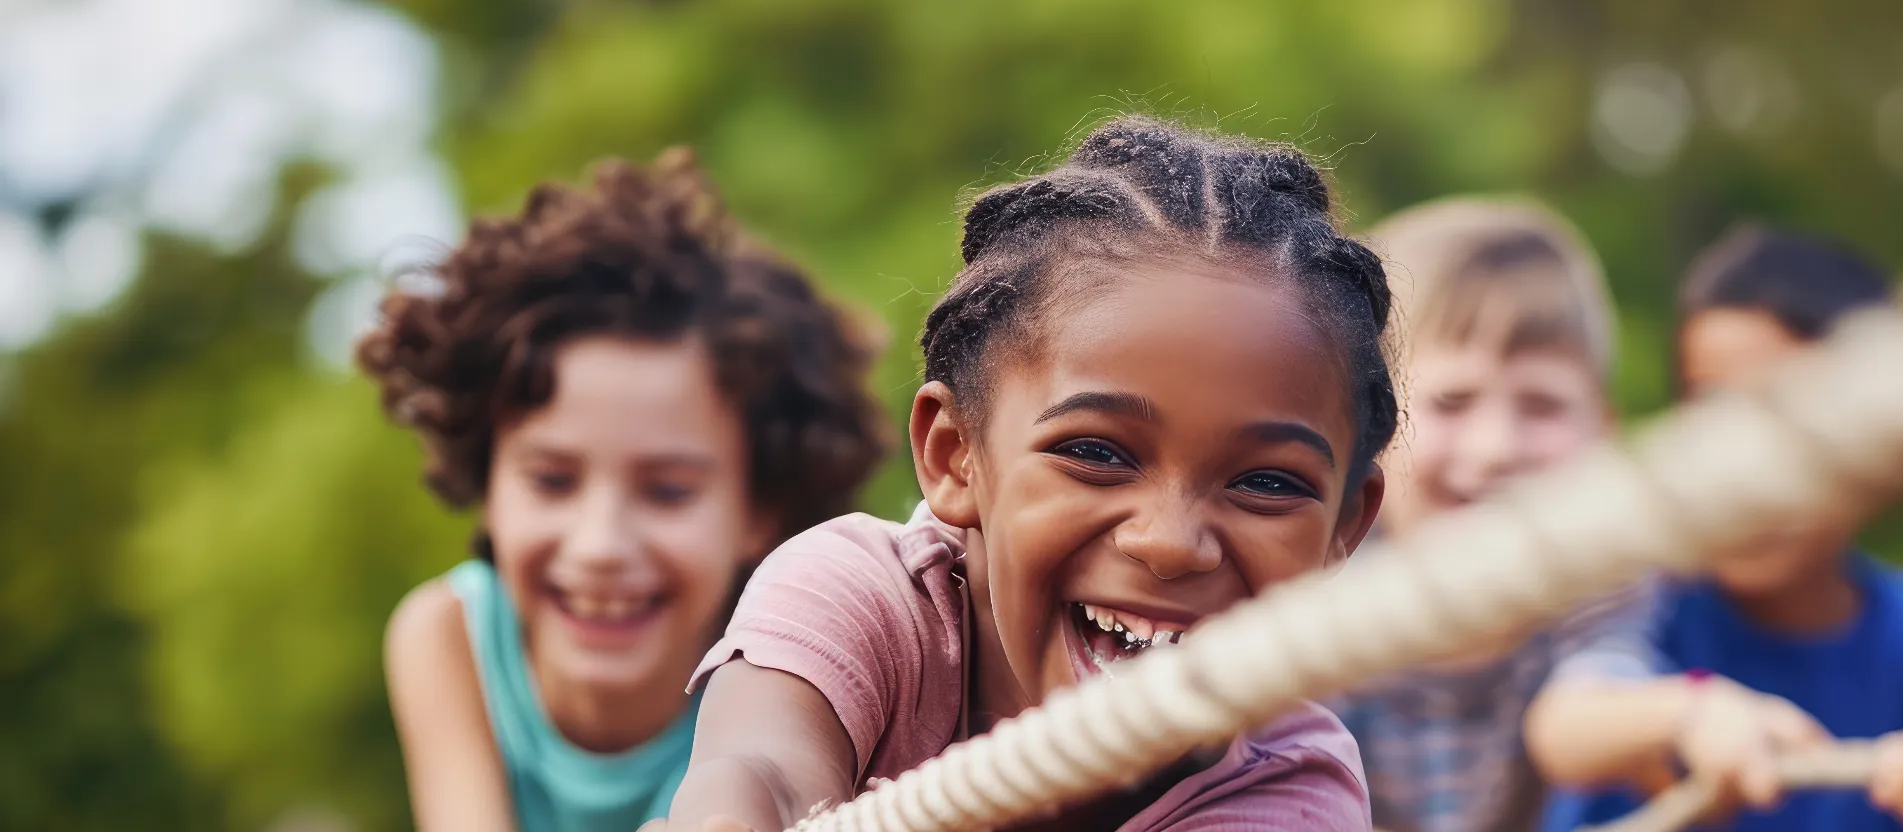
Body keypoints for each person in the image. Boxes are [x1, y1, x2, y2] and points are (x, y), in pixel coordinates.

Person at [660, 116, 1396, 831]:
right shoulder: (865, 599)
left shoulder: (1292, 785)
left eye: (1266, 482)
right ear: (956, 457)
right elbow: (767, 773)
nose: (1171, 544)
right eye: (1097, 454)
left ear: (1345, 527)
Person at [363, 149, 888, 831]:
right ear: (487, 483)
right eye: (551, 481)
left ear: (759, 511)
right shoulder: (448, 637)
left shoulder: (797, 663)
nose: (601, 544)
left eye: (668, 492)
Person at [1531, 225, 1903, 832]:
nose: (1747, 463)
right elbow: (1563, 729)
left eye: (1794, 417)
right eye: (1713, 410)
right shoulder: (1642, 598)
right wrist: (1690, 714)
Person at [1323, 197, 1660, 832]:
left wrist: (1687, 715)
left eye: (1541, 406)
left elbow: (1588, 706)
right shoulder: (1325, 590)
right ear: (1370, 428)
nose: (1495, 448)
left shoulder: (1597, 587)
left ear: (1603, 432)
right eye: (1452, 401)